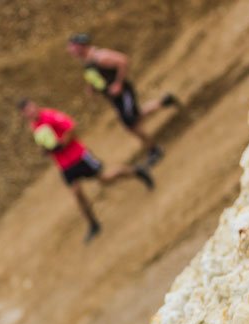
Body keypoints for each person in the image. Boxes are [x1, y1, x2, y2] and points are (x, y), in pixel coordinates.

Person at [19, 99, 154, 243]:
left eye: (31, 108)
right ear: (23, 115)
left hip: (79, 156)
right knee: (77, 193)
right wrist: (46, 150)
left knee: (105, 178)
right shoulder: (33, 126)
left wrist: (62, 144)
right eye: (27, 111)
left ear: (35, 106)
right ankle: (93, 224)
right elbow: (46, 143)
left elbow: (71, 128)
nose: (30, 112)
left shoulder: (50, 116)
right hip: (64, 165)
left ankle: (137, 172)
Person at [66, 33, 180, 166]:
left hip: (123, 93)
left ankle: (154, 149)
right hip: (114, 97)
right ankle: (164, 102)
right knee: (135, 117)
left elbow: (123, 61)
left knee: (131, 125)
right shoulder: (87, 60)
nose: (70, 50)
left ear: (80, 46)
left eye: (72, 47)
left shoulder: (100, 57)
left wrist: (118, 84)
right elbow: (97, 74)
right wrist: (92, 86)